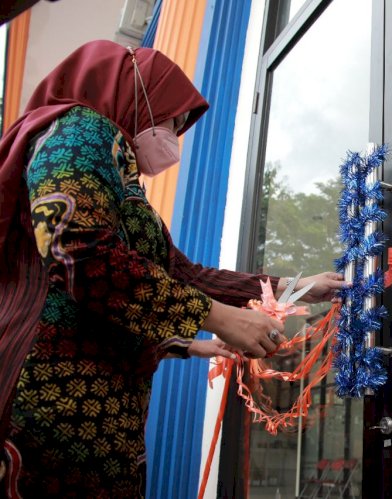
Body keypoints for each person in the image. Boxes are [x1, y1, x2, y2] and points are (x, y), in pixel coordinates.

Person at [0, 40, 345, 498]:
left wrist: (295, 287)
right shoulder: (80, 130)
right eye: (171, 120)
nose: (173, 138)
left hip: (101, 410)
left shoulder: (122, 176)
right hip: (51, 405)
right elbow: (77, 252)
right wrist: (220, 317)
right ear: (133, 93)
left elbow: (180, 274)